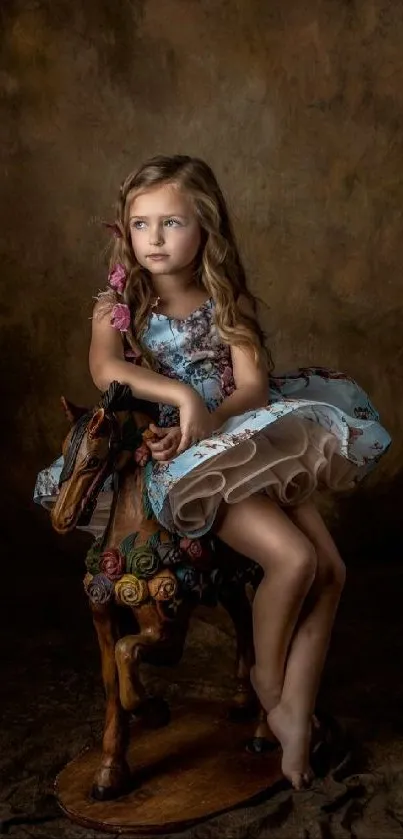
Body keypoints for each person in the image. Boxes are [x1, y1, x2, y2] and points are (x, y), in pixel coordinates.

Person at [34, 154, 391, 788]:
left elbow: (252, 387)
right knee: (295, 560)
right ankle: (268, 683)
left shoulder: (226, 297)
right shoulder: (118, 302)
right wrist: (183, 399)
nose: (154, 239)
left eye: (171, 223)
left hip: (243, 433)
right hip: (188, 461)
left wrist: (213, 411)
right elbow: (103, 370)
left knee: (332, 568)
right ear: (126, 230)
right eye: (140, 224)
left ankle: (293, 711)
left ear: (205, 228)